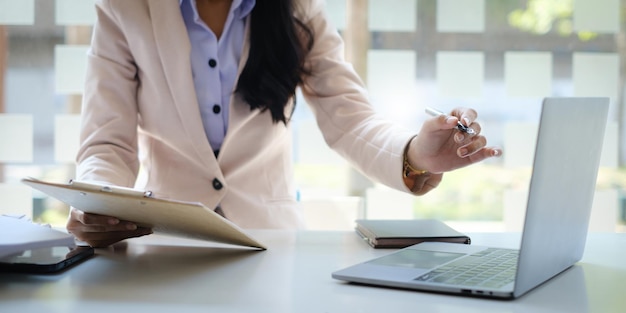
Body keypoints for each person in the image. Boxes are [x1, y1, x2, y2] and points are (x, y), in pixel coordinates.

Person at [67, 0, 502, 247]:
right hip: (166, 243)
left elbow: (349, 119)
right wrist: (97, 200)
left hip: (271, 245)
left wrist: (413, 153)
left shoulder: (298, 9)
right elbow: (107, 143)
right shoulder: (124, 8)